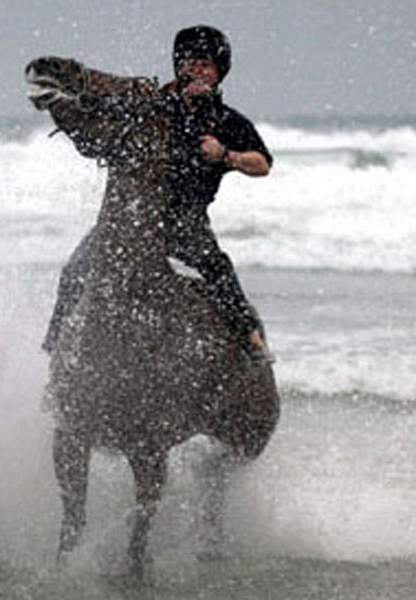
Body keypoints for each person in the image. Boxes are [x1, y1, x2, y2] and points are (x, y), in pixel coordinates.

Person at [41, 25, 274, 362]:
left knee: (217, 267)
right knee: (75, 270)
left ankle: (251, 338)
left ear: (219, 73)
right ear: (178, 67)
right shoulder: (156, 106)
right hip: (134, 213)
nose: (196, 70)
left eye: (205, 64)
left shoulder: (227, 121)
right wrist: (81, 102)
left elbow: (262, 164)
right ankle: (55, 344)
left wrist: (226, 155)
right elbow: (112, 109)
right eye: (189, 63)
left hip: (184, 218)